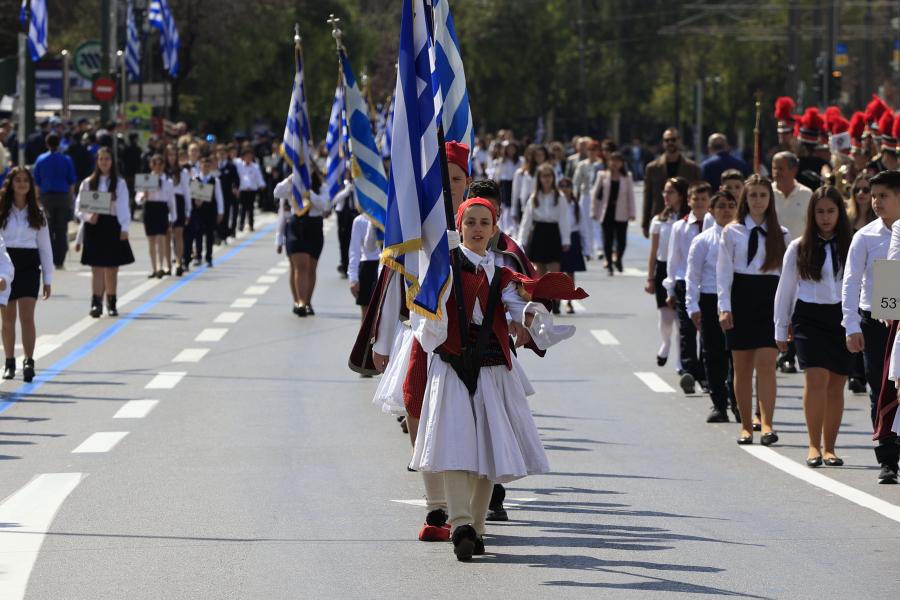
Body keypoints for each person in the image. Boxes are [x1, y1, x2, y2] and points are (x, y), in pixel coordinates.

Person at [409, 196, 585, 560]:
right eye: (469, 222)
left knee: (489, 446)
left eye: (483, 223)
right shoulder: (442, 268)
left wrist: (530, 318)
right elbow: (425, 323)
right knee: (455, 446)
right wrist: (441, 294)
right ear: (459, 227)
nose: (476, 228)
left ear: (494, 229)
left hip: (491, 366)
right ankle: (460, 525)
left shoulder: (503, 274)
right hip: (452, 364)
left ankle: (476, 525)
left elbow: (519, 304)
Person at [774, 186, 853, 467]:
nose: (825, 217)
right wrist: (781, 328)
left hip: (843, 317)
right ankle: (813, 446)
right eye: (820, 211)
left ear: (840, 213)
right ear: (812, 214)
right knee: (816, 378)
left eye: (831, 211)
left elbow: (866, 282)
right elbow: (785, 289)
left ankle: (830, 447)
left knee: (836, 385)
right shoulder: (798, 247)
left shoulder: (853, 243)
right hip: (808, 317)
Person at [717, 174, 790, 445]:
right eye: (753, 195)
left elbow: (786, 278)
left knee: (767, 365)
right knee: (742, 367)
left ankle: (767, 424)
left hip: (769, 303)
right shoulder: (732, 231)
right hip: (740, 300)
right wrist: (724, 308)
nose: (758, 200)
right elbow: (723, 274)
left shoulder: (781, 234)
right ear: (745, 199)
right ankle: (746, 426)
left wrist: (787, 314)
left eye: (763, 195)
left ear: (770, 199)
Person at [842, 168, 900, 483]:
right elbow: (851, 282)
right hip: (876, 324)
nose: (875, 201)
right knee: (880, 390)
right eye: (872, 195)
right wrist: (851, 323)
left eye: (883, 195)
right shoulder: (865, 236)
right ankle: (888, 459)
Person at [687, 190, 738, 422]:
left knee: (737, 356)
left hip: (737, 302)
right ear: (712, 211)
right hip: (709, 302)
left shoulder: (743, 237)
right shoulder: (702, 240)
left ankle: (739, 404)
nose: (726, 210)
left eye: (730, 205)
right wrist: (692, 307)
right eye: (721, 206)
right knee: (713, 355)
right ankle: (719, 404)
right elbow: (692, 276)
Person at [0, 167, 50, 382]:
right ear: (11, 184)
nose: (21, 184)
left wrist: (48, 279)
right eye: (17, 180)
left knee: (27, 316)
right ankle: (9, 361)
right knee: (8, 318)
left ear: (30, 185)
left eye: (25, 180)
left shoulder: (38, 213)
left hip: (29, 266)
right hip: (5, 265)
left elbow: (45, 248)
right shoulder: (2, 211)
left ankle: (28, 361)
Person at [73, 147, 134, 318]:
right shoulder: (87, 182)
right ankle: (96, 303)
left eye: (107, 159)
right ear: (97, 162)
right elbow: (79, 208)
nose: (104, 162)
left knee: (112, 267)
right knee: (97, 267)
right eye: (101, 159)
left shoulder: (119, 183)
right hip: (94, 226)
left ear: (112, 161)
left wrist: (124, 227)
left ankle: (112, 302)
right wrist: (87, 217)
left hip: (112, 225)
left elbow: (123, 207)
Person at [663, 181, 711, 394]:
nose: (699, 203)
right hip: (685, 283)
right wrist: (670, 289)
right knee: (687, 329)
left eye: (703, 199)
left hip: (709, 284)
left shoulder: (716, 225)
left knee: (708, 331)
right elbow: (673, 259)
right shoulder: (680, 226)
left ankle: (707, 374)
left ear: (709, 201)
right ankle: (689, 372)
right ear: (688, 200)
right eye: (695, 199)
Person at [646, 177, 689, 368]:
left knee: (681, 320)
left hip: (683, 270)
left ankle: (681, 362)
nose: (666, 195)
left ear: (681, 195)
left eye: (670, 192)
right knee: (665, 319)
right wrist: (650, 278)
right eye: (664, 191)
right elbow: (653, 250)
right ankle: (666, 343)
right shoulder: (659, 220)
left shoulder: (690, 220)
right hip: (663, 269)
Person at [274, 170, 330, 316]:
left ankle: (307, 301)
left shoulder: (321, 186)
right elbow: (277, 193)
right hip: (295, 225)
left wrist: (308, 192)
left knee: (311, 268)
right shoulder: (292, 185)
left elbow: (324, 205)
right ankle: (299, 301)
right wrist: (291, 180)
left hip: (314, 226)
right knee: (300, 266)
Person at [846, 172, 876, 394]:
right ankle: (855, 373)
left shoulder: (884, 226)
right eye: (858, 189)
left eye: (867, 190)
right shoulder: (847, 221)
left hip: (876, 289)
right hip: (854, 281)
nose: (862, 194)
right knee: (854, 326)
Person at [641, 128, 702, 238]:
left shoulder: (692, 167)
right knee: (660, 253)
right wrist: (645, 223)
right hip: (661, 217)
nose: (670, 142)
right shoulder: (652, 168)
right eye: (667, 140)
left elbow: (698, 194)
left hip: (686, 218)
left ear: (679, 141)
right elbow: (647, 196)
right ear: (663, 142)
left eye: (673, 139)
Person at [517, 163, 571, 280]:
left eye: (549, 175)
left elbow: (564, 219)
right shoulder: (534, 197)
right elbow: (526, 220)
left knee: (554, 272)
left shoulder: (559, 197)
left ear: (553, 177)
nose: (547, 178)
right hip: (539, 233)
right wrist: (523, 240)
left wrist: (566, 239)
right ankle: (543, 297)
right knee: (539, 273)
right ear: (539, 178)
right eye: (544, 176)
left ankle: (554, 298)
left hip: (554, 233)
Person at [32, 133, 77, 269]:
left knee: (47, 230)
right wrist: (69, 197)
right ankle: (60, 260)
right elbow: (71, 181)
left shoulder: (41, 159)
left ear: (46, 144)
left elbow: (37, 181)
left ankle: (48, 259)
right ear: (59, 144)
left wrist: (38, 198)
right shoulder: (66, 159)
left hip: (47, 198)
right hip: (63, 196)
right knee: (62, 229)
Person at [591, 151, 635, 275]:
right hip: (607, 211)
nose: (614, 163)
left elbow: (630, 196)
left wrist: (632, 212)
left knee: (622, 240)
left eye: (617, 161)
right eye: (612, 160)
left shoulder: (627, 177)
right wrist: (593, 211)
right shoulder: (602, 175)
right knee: (607, 239)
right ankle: (609, 262)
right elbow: (595, 194)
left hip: (622, 211)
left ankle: (619, 259)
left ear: (622, 163)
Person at [135, 155, 176, 278]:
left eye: (160, 164)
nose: (157, 167)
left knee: (161, 238)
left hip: (162, 209)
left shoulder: (168, 182)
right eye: (155, 164)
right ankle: (153, 267)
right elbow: (138, 198)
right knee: (151, 240)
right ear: (151, 165)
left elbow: (171, 201)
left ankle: (160, 266)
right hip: (150, 208)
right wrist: (143, 196)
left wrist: (172, 217)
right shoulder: (146, 179)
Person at [558, 177, 590, 314]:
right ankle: (556, 301)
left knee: (570, 273)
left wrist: (587, 249)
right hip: (558, 238)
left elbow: (583, 228)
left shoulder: (577, 206)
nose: (565, 189)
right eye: (562, 186)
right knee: (557, 272)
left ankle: (569, 301)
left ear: (572, 188)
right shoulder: (556, 204)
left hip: (573, 238)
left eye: (567, 186)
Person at [163, 145, 193, 276]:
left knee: (178, 234)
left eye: (174, 155)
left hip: (179, 201)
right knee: (166, 235)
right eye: (169, 154)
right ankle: (168, 264)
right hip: (165, 203)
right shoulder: (162, 171)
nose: (172, 157)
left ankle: (179, 262)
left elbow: (187, 192)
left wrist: (188, 210)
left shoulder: (182, 172)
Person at [190, 156, 224, 267]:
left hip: (210, 210)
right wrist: (196, 203)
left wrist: (220, 212)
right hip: (199, 210)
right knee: (198, 232)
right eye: (204, 166)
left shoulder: (215, 181)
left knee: (209, 234)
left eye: (208, 166)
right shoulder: (195, 179)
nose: (206, 168)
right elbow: (192, 195)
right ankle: (198, 256)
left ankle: (209, 257)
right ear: (200, 166)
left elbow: (219, 197)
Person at [348, 212, 380, 320]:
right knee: (366, 317)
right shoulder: (360, 220)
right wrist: (353, 278)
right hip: (367, 266)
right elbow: (354, 250)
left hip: (385, 264)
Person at [511, 144, 547, 227]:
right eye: (530, 154)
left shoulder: (547, 171)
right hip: (526, 206)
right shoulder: (521, 173)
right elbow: (516, 193)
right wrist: (514, 211)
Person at [491, 141, 520, 231]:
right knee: (505, 206)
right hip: (505, 184)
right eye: (509, 149)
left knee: (514, 204)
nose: (511, 151)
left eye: (513, 149)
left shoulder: (520, 160)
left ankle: (515, 227)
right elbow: (497, 175)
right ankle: (506, 228)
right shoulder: (501, 161)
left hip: (516, 183)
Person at [235, 146, 266, 232]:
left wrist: (261, 184)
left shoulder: (255, 166)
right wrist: (245, 185)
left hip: (252, 189)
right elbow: (242, 176)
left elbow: (258, 176)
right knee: (243, 208)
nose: (248, 158)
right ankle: (241, 224)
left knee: (251, 208)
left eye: (250, 156)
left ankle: (251, 224)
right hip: (243, 189)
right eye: (246, 156)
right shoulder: (240, 166)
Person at [216, 144, 240, 243]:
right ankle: (217, 234)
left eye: (224, 154)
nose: (222, 156)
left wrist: (235, 187)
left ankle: (224, 235)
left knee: (225, 214)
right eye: (220, 153)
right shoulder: (214, 165)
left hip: (226, 194)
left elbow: (236, 179)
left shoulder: (231, 166)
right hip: (215, 194)